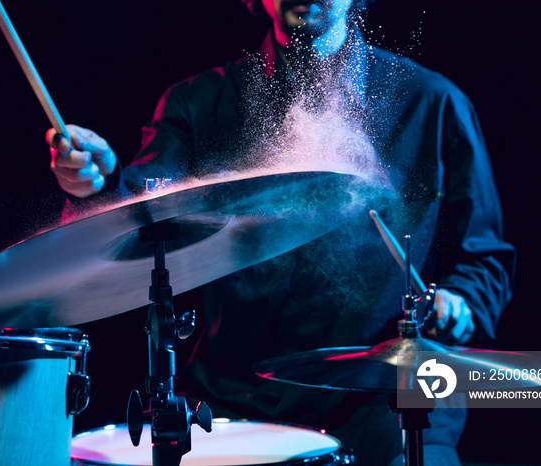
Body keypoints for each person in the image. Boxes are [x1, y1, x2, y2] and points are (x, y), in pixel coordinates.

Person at [47, 1, 516, 464]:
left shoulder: (431, 102)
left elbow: (484, 257)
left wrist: (461, 301)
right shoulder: (199, 103)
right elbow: (141, 212)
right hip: (236, 398)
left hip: (386, 406)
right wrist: (101, 183)